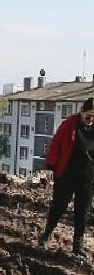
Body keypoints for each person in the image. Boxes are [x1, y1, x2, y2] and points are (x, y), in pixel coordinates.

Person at [39, 97, 94, 257]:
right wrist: (50, 166)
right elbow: (55, 144)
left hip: (88, 178)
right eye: (88, 117)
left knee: (82, 212)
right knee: (59, 207)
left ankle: (78, 245)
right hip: (67, 175)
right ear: (82, 113)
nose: (91, 120)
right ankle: (46, 235)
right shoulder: (69, 125)